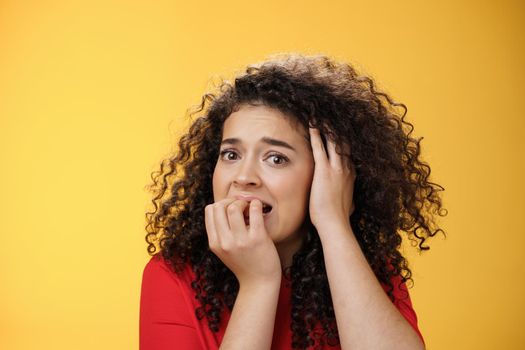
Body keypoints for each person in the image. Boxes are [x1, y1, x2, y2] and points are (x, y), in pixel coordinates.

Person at [140, 53, 446, 350]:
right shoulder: (172, 275)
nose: (244, 177)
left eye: (276, 158)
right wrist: (258, 283)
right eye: (231, 154)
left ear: (329, 176)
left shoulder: (365, 269)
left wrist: (334, 222)